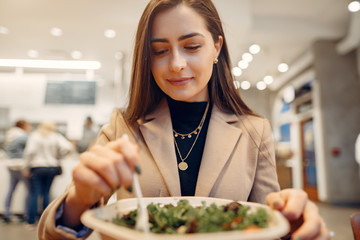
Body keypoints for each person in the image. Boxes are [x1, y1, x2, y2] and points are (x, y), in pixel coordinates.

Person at [38, 1, 330, 239]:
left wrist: (293, 223)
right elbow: (50, 233)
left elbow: (270, 224)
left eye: (191, 47)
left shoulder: (254, 130)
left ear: (216, 48)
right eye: (160, 51)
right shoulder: (122, 127)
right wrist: (80, 197)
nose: (176, 64)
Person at [24, 121, 73, 227]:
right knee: (46, 193)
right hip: (51, 168)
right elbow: (68, 147)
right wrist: (58, 156)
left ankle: (31, 221)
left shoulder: (35, 136)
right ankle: (45, 221)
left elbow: (29, 152)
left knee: (35, 193)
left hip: (37, 167)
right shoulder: (55, 136)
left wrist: (26, 168)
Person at [3, 119, 31, 223]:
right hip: (20, 165)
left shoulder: (9, 134)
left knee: (11, 189)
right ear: (23, 125)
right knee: (30, 190)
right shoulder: (23, 136)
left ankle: (7, 213)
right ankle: (27, 214)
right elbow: (30, 150)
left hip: (10, 164)